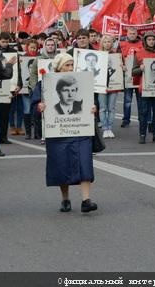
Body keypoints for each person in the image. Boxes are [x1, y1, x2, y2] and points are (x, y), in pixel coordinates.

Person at [33, 53, 98, 213]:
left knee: (85, 163)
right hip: (58, 133)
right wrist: (39, 107)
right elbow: (34, 106)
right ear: (58, 67)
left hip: (80, 131)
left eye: (71, 64)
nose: (70, 68)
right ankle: (65, 198)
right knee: (61, 165)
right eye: (66, 65)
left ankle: (86, 200)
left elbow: (91, 100)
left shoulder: (82, 81)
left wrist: (93, 108)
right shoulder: (45, 83)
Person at [132, 32, 155, 144]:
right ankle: (142, 134)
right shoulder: (139, 54)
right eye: (149, 39)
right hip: (145, 89)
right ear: (145, 41)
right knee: (144, 112)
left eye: (153, 39)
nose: (151, 41)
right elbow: (133, 71)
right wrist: (140, 68)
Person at [97, 35, 120, 139]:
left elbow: (121, 68)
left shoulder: (116, 55)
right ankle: (105, 128)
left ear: (112, 43)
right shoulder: (98, 55)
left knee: (111, 108)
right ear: (102, 43)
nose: (107, 44)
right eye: (105, 42)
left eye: (109, 42)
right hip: (101, 86)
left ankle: (109, 128)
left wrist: (122, 68)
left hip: (114, 85)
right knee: (102, 108)